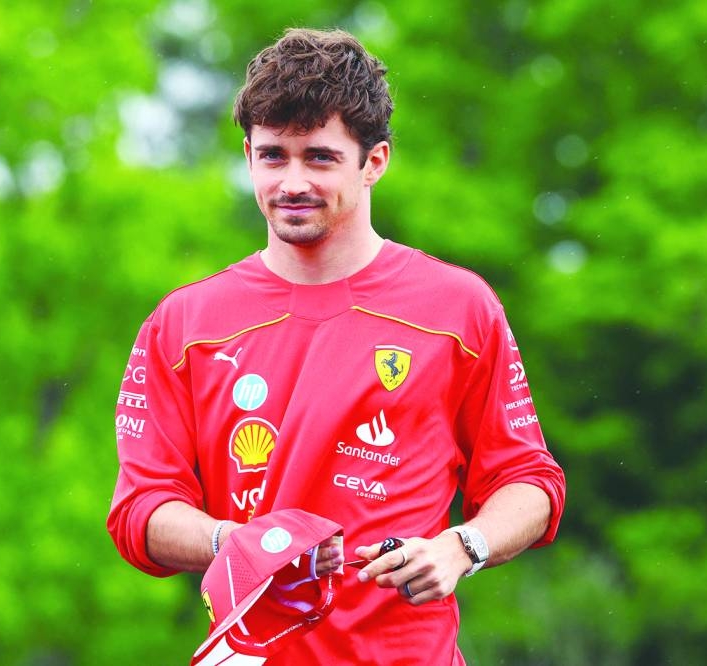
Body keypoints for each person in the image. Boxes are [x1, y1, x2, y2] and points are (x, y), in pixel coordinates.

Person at [108, 28, 566, 665]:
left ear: (374, 160)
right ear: (247, 157)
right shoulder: (184, 323)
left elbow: (529, 482)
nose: (292, 180)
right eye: (273, 156)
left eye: (319, 157)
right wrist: (234, 542)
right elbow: (140, 513)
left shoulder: (458, 308)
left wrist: (461, 548)